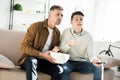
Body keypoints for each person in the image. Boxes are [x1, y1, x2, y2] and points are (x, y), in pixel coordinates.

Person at [17, 5, 63, 80]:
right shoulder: (36, 26)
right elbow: (24, 46)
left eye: (61, 15)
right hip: (29, 59)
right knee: (32, 61)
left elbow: (54, 51)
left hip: (44, 62)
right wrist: (41, 54)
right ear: (50, 15)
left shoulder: (57, 33)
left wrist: (54, 52)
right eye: (57, 14)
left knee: (59, 69)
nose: (60, 17)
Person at [59, 11, 102, 80]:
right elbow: (60, 50)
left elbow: (91, 54)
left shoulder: (88, 36)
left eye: (81, 19)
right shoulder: (66, 32)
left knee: (99, 66)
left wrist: (94, 59)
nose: (79, 21)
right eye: (76, 19)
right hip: (68, 62)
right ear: (71, 22)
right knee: (63, 69)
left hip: (81, 62)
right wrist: (68, 45)